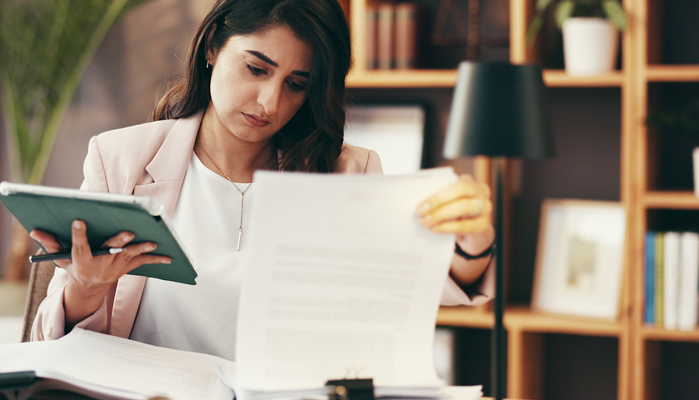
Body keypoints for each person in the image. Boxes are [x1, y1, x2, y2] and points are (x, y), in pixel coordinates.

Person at [29, 0, 494, 360]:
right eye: (257, 69)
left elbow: (423, 287)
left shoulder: (347, 173)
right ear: (212, 46)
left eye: (297, 84)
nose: (269, 102)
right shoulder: (120, 160)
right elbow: (50, 341)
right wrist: (86, 289)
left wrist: (473, 240)